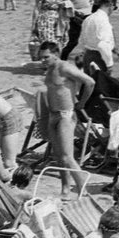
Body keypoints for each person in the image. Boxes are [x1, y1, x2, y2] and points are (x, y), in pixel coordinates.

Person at [39, 40, 94, 197]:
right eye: (41, 57)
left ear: (56, 54)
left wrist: (82, 103)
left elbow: (90, 82)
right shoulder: (50, 69)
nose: (42, 60)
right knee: (59, 156)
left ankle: (83, 188)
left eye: (46, 57)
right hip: (53, 115)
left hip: (65, 115)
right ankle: (65, 188)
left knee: (67, 156)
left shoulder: (64, 67)